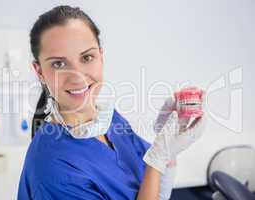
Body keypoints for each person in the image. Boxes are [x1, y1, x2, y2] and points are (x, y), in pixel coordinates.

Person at [18, 5, 206, 200]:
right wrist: (158, 157)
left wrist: (167, 148)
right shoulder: (54, 171)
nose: (78, 78)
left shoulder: (110, 121)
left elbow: (156, 192)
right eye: (59, 64)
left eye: (87, 57)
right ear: (39, 72)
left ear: (101, 56)